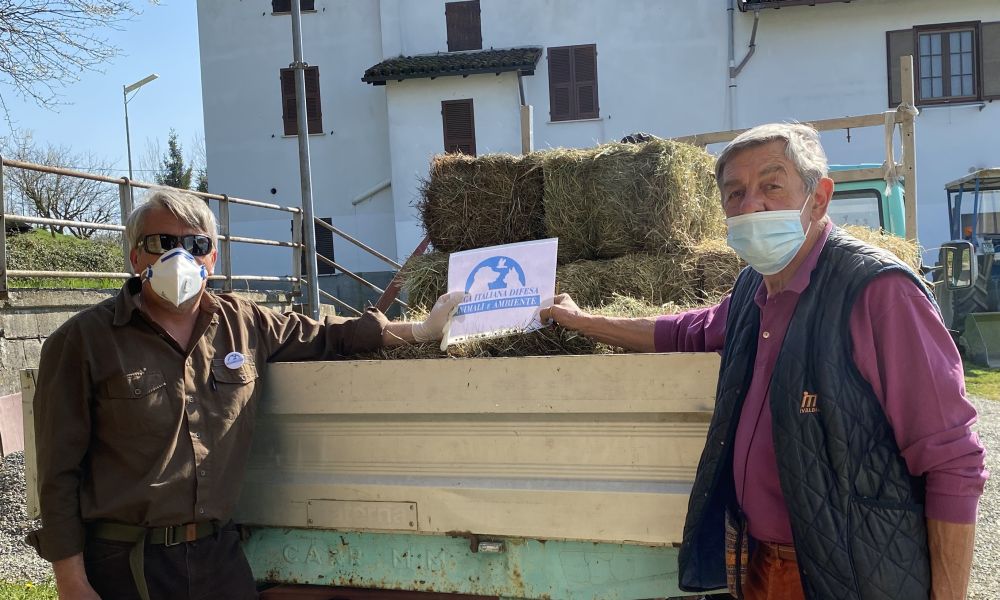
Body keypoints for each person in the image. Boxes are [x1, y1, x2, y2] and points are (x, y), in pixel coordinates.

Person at [542, 123, 986, 600]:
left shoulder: (878, 293)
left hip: (847, 574)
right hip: (758, 563)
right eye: (735, 193)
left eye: (771, 186)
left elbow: (953, 462)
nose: (751, 204)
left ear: (818, 198)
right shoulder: (754, 287)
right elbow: (683, 330)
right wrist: (584, 321)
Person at [27, 188, 463, 600]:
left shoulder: (244, 322)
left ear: (212, 258)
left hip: (217, 556)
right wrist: (71, 580)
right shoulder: (83, 341)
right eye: (163, 242)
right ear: (135, 254)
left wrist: (420, 330)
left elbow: (333, 334)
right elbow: (59, 473)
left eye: (196, 245)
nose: (180, 255)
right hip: (128, 564)